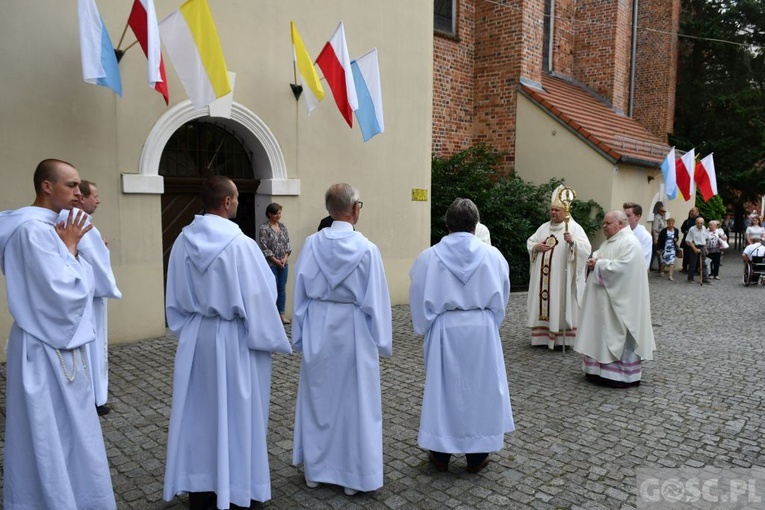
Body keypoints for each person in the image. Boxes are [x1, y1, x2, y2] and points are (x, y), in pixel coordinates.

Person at [164, 176, 292, 509]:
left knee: (200, 415)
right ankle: (238, 486)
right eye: (236, 198)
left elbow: (175, 298)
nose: (237, 203)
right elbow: (261, 298)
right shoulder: (241, 246)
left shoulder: (182, 241)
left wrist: (192, 329)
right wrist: (270, 339)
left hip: (198, 338)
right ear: (226, 202)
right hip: (234, 340)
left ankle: (202, 486)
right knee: (237, 414)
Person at [0, 158, 116, 509]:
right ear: (46, 187)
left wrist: (74, 247)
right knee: (46, 433)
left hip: (60, 349)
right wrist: (69, 249)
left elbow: (87, 286)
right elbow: (61, 294)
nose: (79, 193)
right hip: (44, 348)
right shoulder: (32, 231)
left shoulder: (57, 226)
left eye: (80, 186)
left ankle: (76, 495)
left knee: (71, 431)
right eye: (71, 185)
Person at [292, 183, 392, 496]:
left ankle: (317, 470)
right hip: (354, 329)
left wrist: (300, 335)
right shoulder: (367, 250)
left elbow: (300, 291)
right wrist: (382, 340)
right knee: (354, 402)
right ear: (355, 209)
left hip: (320, 325)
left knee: (319, 399)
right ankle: (352, 475)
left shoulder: (311, 245)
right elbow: (377, 300)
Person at [409, 198, 514, 474]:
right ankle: (477, 455)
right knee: (481, 390)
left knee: (443, 390)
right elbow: (501, 298)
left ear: (447, 225)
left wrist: (425, 326)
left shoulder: (429, 257)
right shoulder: (493, 256)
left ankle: (440, 453)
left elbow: (419, 297)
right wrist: (490, 323)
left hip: (444, 328)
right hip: (482, 330)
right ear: (475, 225)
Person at [60, 180, 122, 416]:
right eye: (94, 195)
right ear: (81, 198)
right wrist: (109, 285)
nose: (98, 200)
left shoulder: (62, 218)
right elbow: (96, 259)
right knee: (93, 346)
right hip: (88, 294)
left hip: (78, 292)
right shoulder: (79, 220)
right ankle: (95, 397)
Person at [574, 210, 656, 388]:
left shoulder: (630, 243)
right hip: (603, 303)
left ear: (621, 224)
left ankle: (620, 375)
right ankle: (596, 371)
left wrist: (599, 264)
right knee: (600, 335)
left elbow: (624, 270)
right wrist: (594, 260)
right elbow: (602, 256)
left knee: (616, 335)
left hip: (620, 304)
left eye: (608, 223)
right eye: (604, 223)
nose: (604, 226)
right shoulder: (609, 242)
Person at [526, 187, 591, 349]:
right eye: (552, 210)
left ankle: (563, 339)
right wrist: (536, 247)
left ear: (565, 211)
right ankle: (541, 338)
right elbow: (530, 242)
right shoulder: (543, 228)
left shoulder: (574, 229)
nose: (553, 213)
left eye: (557, 210)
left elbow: (586, 248)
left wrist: (573, 244)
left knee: (559, 301)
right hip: (543, 280)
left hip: (561, 280)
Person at [259, 202, 292, 324]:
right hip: (271, 263)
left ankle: (281, 314)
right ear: (269, 214)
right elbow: (264, 246)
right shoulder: (264, 228)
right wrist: (275, 260)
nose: (278, 215)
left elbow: (288, 243)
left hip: (283, 263)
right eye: (276, 213)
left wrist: (285, 257)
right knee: (272, 288)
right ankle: (271, 315)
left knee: (281, 288)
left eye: (279, 213)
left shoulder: (283, 227)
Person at [623, 202, 652, 269]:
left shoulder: (645, 236)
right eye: (623, 216)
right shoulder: (620, 232)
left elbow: (642, 261)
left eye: (628, 216)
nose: (624, 219)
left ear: (638, 217)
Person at [685, 216, 712, 284]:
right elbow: (689, 241)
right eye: (698, 223)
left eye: (701, 223)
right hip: (694, 246)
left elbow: (705, 238)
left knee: (704, 263)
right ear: (696, 223)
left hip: (702, 246)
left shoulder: (704, 228)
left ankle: (704, 278)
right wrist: (695, 249)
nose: (699, 224)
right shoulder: (692, 229)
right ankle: (690, 278)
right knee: (693, 263)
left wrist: (705, 248)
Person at [680, 207, 700, 272]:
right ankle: (685, 268)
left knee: (694, 255)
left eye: (693, 211)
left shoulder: (699, 220)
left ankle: (694, 269)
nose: (691, 212)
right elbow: (683, 228)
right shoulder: (688, 220)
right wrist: (686, 231)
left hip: (695, 241)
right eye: (691, 211)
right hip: (687, 240)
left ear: (697, 212)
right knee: (686, 255)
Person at [651, 203, 667, 271]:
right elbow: (654, 229)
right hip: (657, 237)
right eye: (662, 211)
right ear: (659, 211)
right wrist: (655, 239)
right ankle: (660, 267)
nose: (664, 213)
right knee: (658, 252)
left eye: (664, 211)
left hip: (661, 237)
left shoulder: (662, 218)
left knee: (655, 252)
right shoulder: (657, 218)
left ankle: (657, 267)